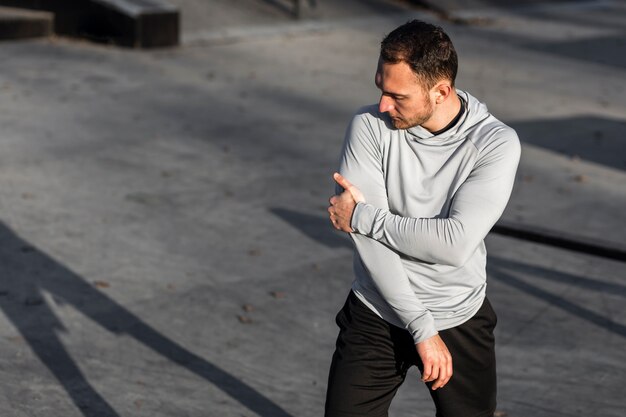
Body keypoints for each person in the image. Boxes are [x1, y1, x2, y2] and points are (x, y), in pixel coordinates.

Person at [325, 20, 520, 417]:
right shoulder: (369, 127)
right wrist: (420, 325)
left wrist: (363, 216)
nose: (382, 105)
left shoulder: (495, 143)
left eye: (397, 95)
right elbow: (371, 248)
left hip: (457, 316)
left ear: (441, 91)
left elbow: (453, 244)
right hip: (377, 311)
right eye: (380, 88)